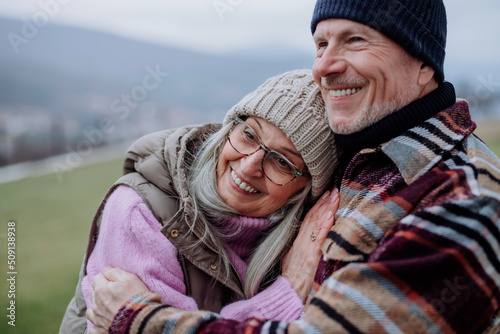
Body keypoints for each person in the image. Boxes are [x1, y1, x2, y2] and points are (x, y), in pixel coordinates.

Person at [87, 0, 500, 333]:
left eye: (355, 40)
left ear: (424, 62)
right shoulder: (365, 160)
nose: (325, 66)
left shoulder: (464, 198)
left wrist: (137, 320)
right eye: (321, 45)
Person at [59, 70, 340, 333]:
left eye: (281, 162)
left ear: (306, 189)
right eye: (249, 135)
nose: (249, 165)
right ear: (230, 129)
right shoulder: (140, 213)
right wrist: (286, 293)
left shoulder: (304, 238)